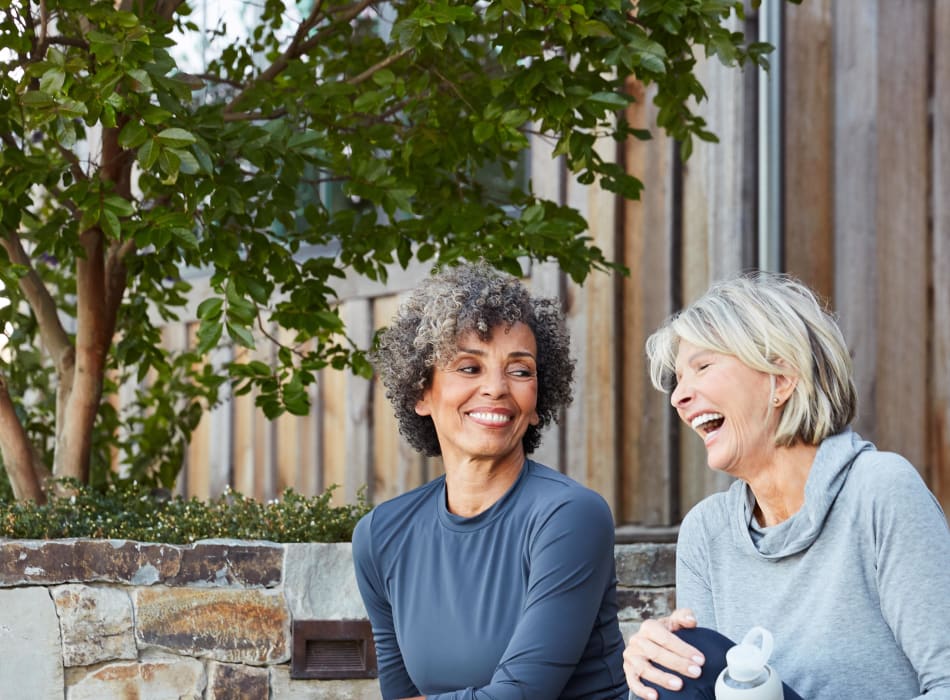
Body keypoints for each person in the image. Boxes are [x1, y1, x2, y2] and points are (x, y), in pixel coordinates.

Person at [623, 271, 950, 700]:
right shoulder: (707, 531)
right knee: (676, 661)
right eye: (678, 379)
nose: (679, 397)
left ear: (781, 379)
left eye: (702, 366)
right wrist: (656, 659)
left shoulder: (880, 491)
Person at [352, 261, 629, 700]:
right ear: (421, 392)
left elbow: (520, 696)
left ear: (538, 401)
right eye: (469, 367)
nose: (497, 387)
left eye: (520, 371)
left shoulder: (570, 517)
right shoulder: (381, 535)